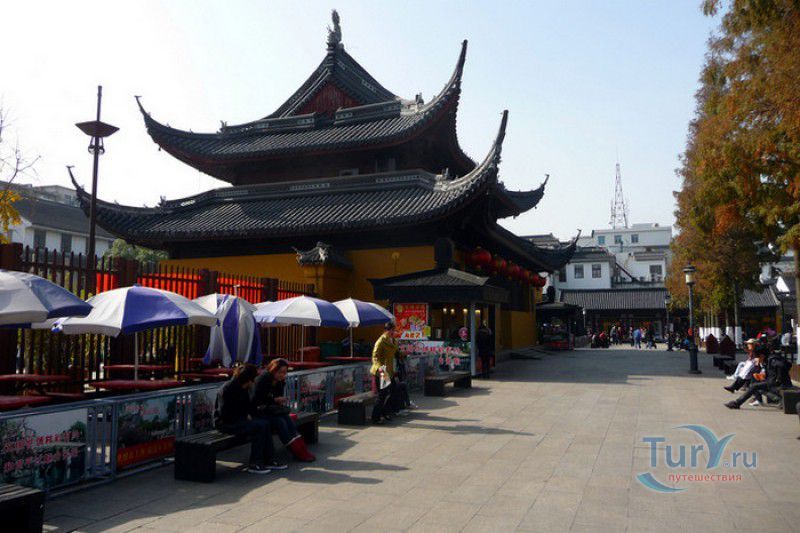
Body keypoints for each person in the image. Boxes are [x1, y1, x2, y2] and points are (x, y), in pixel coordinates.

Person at [214, 364, 279, 474]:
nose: (254, 381)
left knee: (265, 423)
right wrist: (244, 416)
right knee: (259, 427)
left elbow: (248, 407)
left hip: (239, 420)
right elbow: (224, 413)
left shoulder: (243, 388)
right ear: (249, 379)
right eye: (253, 379)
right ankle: (255, 463)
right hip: (225, 423)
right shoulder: (227, 389)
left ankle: (269, 459)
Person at [252, 358, 316, 462]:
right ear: (273, 370)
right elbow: (256, 400)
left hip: (271, 410)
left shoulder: (280, 381)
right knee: (281, 423)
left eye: (284, 372)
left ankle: (302, 450)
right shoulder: (262, 379)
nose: (282, 375)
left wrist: (279, 400)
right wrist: (274, 399)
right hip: (259, 411)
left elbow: (276, 397)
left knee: (289, 421)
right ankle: (297, 452)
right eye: (280, 372)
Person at [725, 349, 793, 409]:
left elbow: (781, 365)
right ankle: (776, 400)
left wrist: (779, 378)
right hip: (774, 383)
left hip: (780, 385)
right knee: (755, 384)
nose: (756, 360)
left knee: (754, 386)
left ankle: (737, 403)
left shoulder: (772, 359)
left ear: (762, 356)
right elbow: (786, 366)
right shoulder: (769, 360)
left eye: (757, 357)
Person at [371, 322, 398, 424]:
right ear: (387, 330)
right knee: (382, 394)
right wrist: (379, 368)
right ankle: (376, 417)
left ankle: (385, 411)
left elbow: (395, 352)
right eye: (391, 330)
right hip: (382, 371)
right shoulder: (381, 341)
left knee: (394, 391)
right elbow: (375, 357)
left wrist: (402, 354)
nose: (393, 332)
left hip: (389, 371)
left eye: (394, 330)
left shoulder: (393, 340)